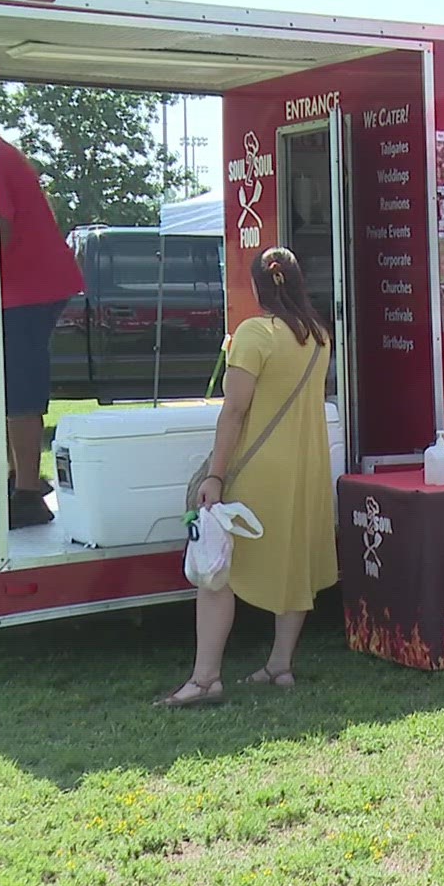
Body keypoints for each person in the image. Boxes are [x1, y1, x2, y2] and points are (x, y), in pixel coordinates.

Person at [156, 248, 334, 707]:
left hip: (256, 468)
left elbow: (233, 412)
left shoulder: (254, 334)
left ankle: (205, 676)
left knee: (218, 570)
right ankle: (280, 665)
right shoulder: (319, 337)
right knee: (294, 566)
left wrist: (215, 475)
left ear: (257, 288)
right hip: (304, 467)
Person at [0, 137, 86, 530]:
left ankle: (27, 492)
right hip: (25, 283)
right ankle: (20, 479)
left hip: (28, 285)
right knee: (8, 384)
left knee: (18, 384)